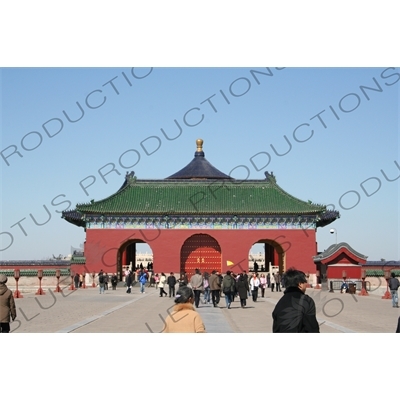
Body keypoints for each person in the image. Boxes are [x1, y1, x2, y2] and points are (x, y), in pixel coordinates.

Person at [272, 268, 320, 333]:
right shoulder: (306, 300)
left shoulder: (280, 302)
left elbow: (276, 328)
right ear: (300, 284)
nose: (306, 285)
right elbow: (312, 327)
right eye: (305, 282)